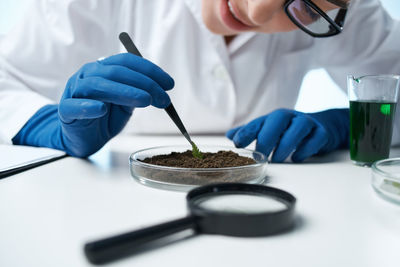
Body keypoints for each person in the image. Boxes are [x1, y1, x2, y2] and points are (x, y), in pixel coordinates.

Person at [0, 0, 399, 162]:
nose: (256, 12)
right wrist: (48, 127)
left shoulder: (341, 9)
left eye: (305, 5)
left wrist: (352, 125)